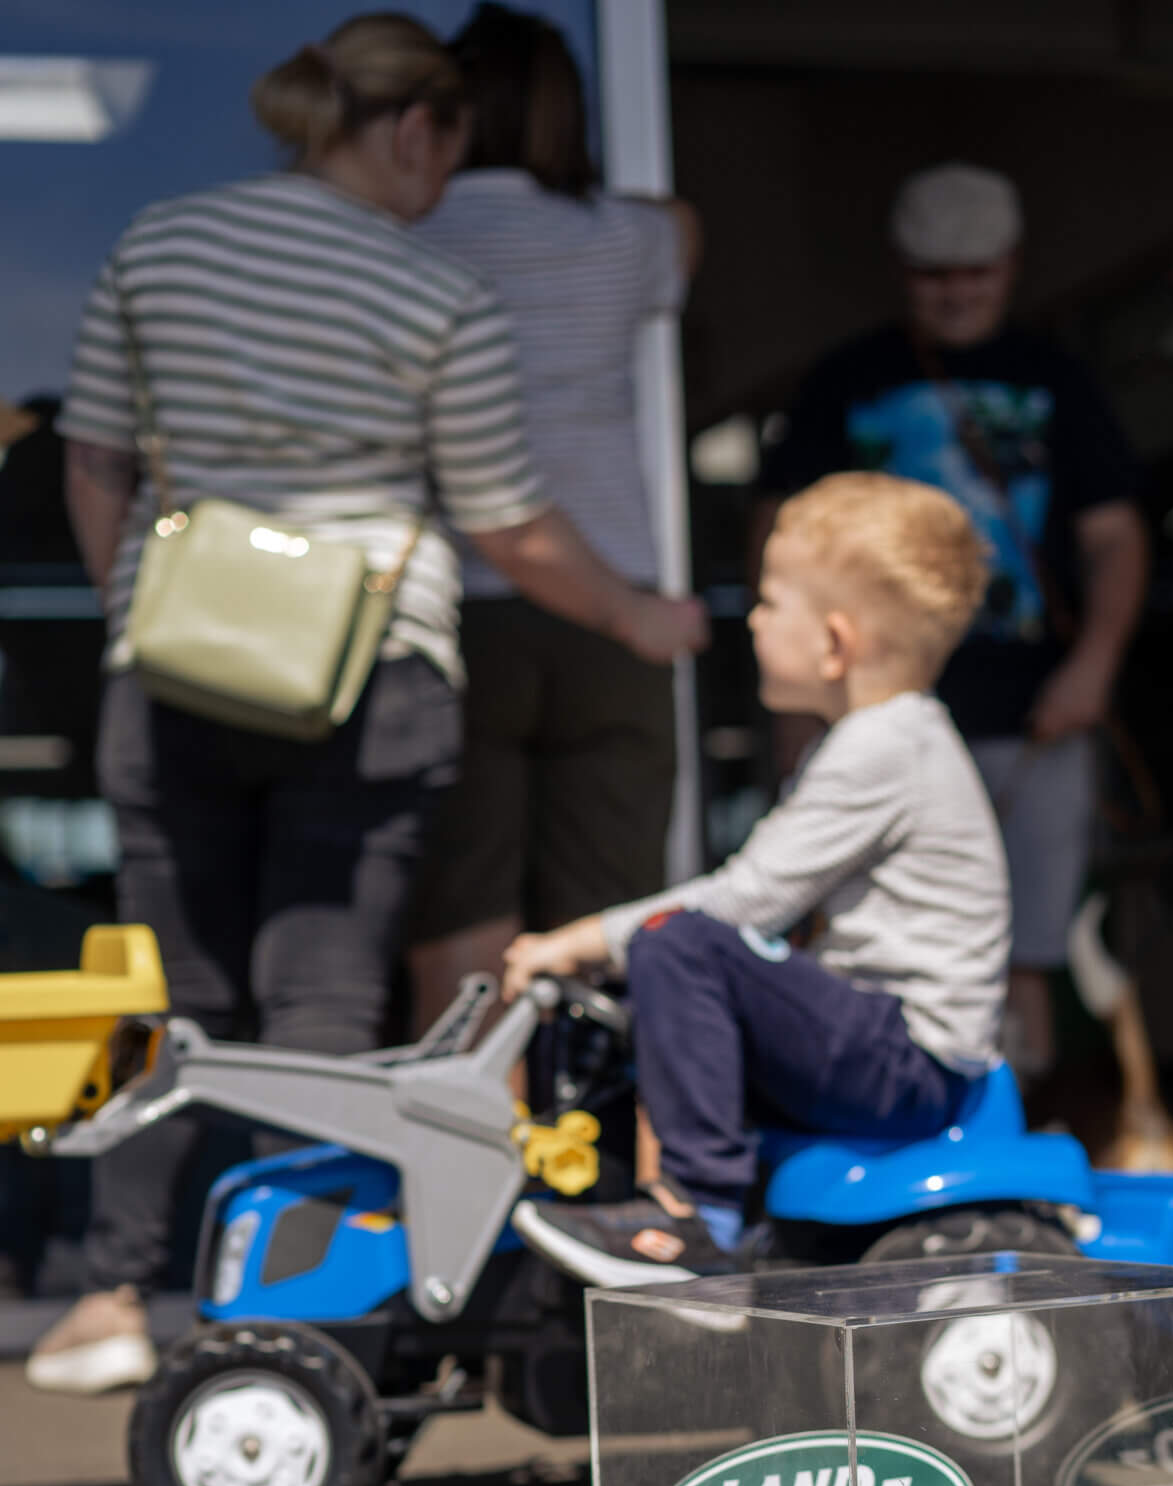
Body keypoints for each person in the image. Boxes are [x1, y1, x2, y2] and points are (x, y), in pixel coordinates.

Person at [28, 11, 704, 1396]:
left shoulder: (156, 246)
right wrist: (640, 614)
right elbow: (509, 523)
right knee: (323, 990)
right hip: (366, 670)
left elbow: (93, 464)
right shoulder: (427, 294)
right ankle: (297, 1311)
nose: (444, 191)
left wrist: (132, 620)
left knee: (165, 980)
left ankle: (108, 1294)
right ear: (414, 132)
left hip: (172, 664)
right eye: (442, 159)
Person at [500, 472, 1009, 1283]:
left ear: (835, 643)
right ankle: (606, 1197)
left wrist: (578, 942)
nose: (755, 620)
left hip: (905, 1058)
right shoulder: (876, 739)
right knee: (659, 981)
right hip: (881, 1041)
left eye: (770, 603)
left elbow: (746, 901)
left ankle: (695, 1215)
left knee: (680, 946)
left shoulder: (883, 748)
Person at [754, 164, 1150, 1085]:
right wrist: (792, 706)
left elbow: (1116, 538)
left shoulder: (1054, 377)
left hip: (1030, 709)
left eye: (976, 271)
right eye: (936, 273)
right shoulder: (847, 380)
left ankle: (1016, 1123)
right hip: (868, 714)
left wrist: (1092, 664)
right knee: (852, 933)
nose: (957, 292)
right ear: (901, 268)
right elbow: (777, 537)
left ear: (1010, 266)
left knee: (1030, 937)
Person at [408, 2, 703, 1031]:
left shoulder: (405, 238)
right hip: (612, 611)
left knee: (462, 912)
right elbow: (683, 227)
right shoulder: (623, 239)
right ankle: (603, 1159)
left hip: (459, 610)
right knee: (614, 919)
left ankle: (460, 1154)